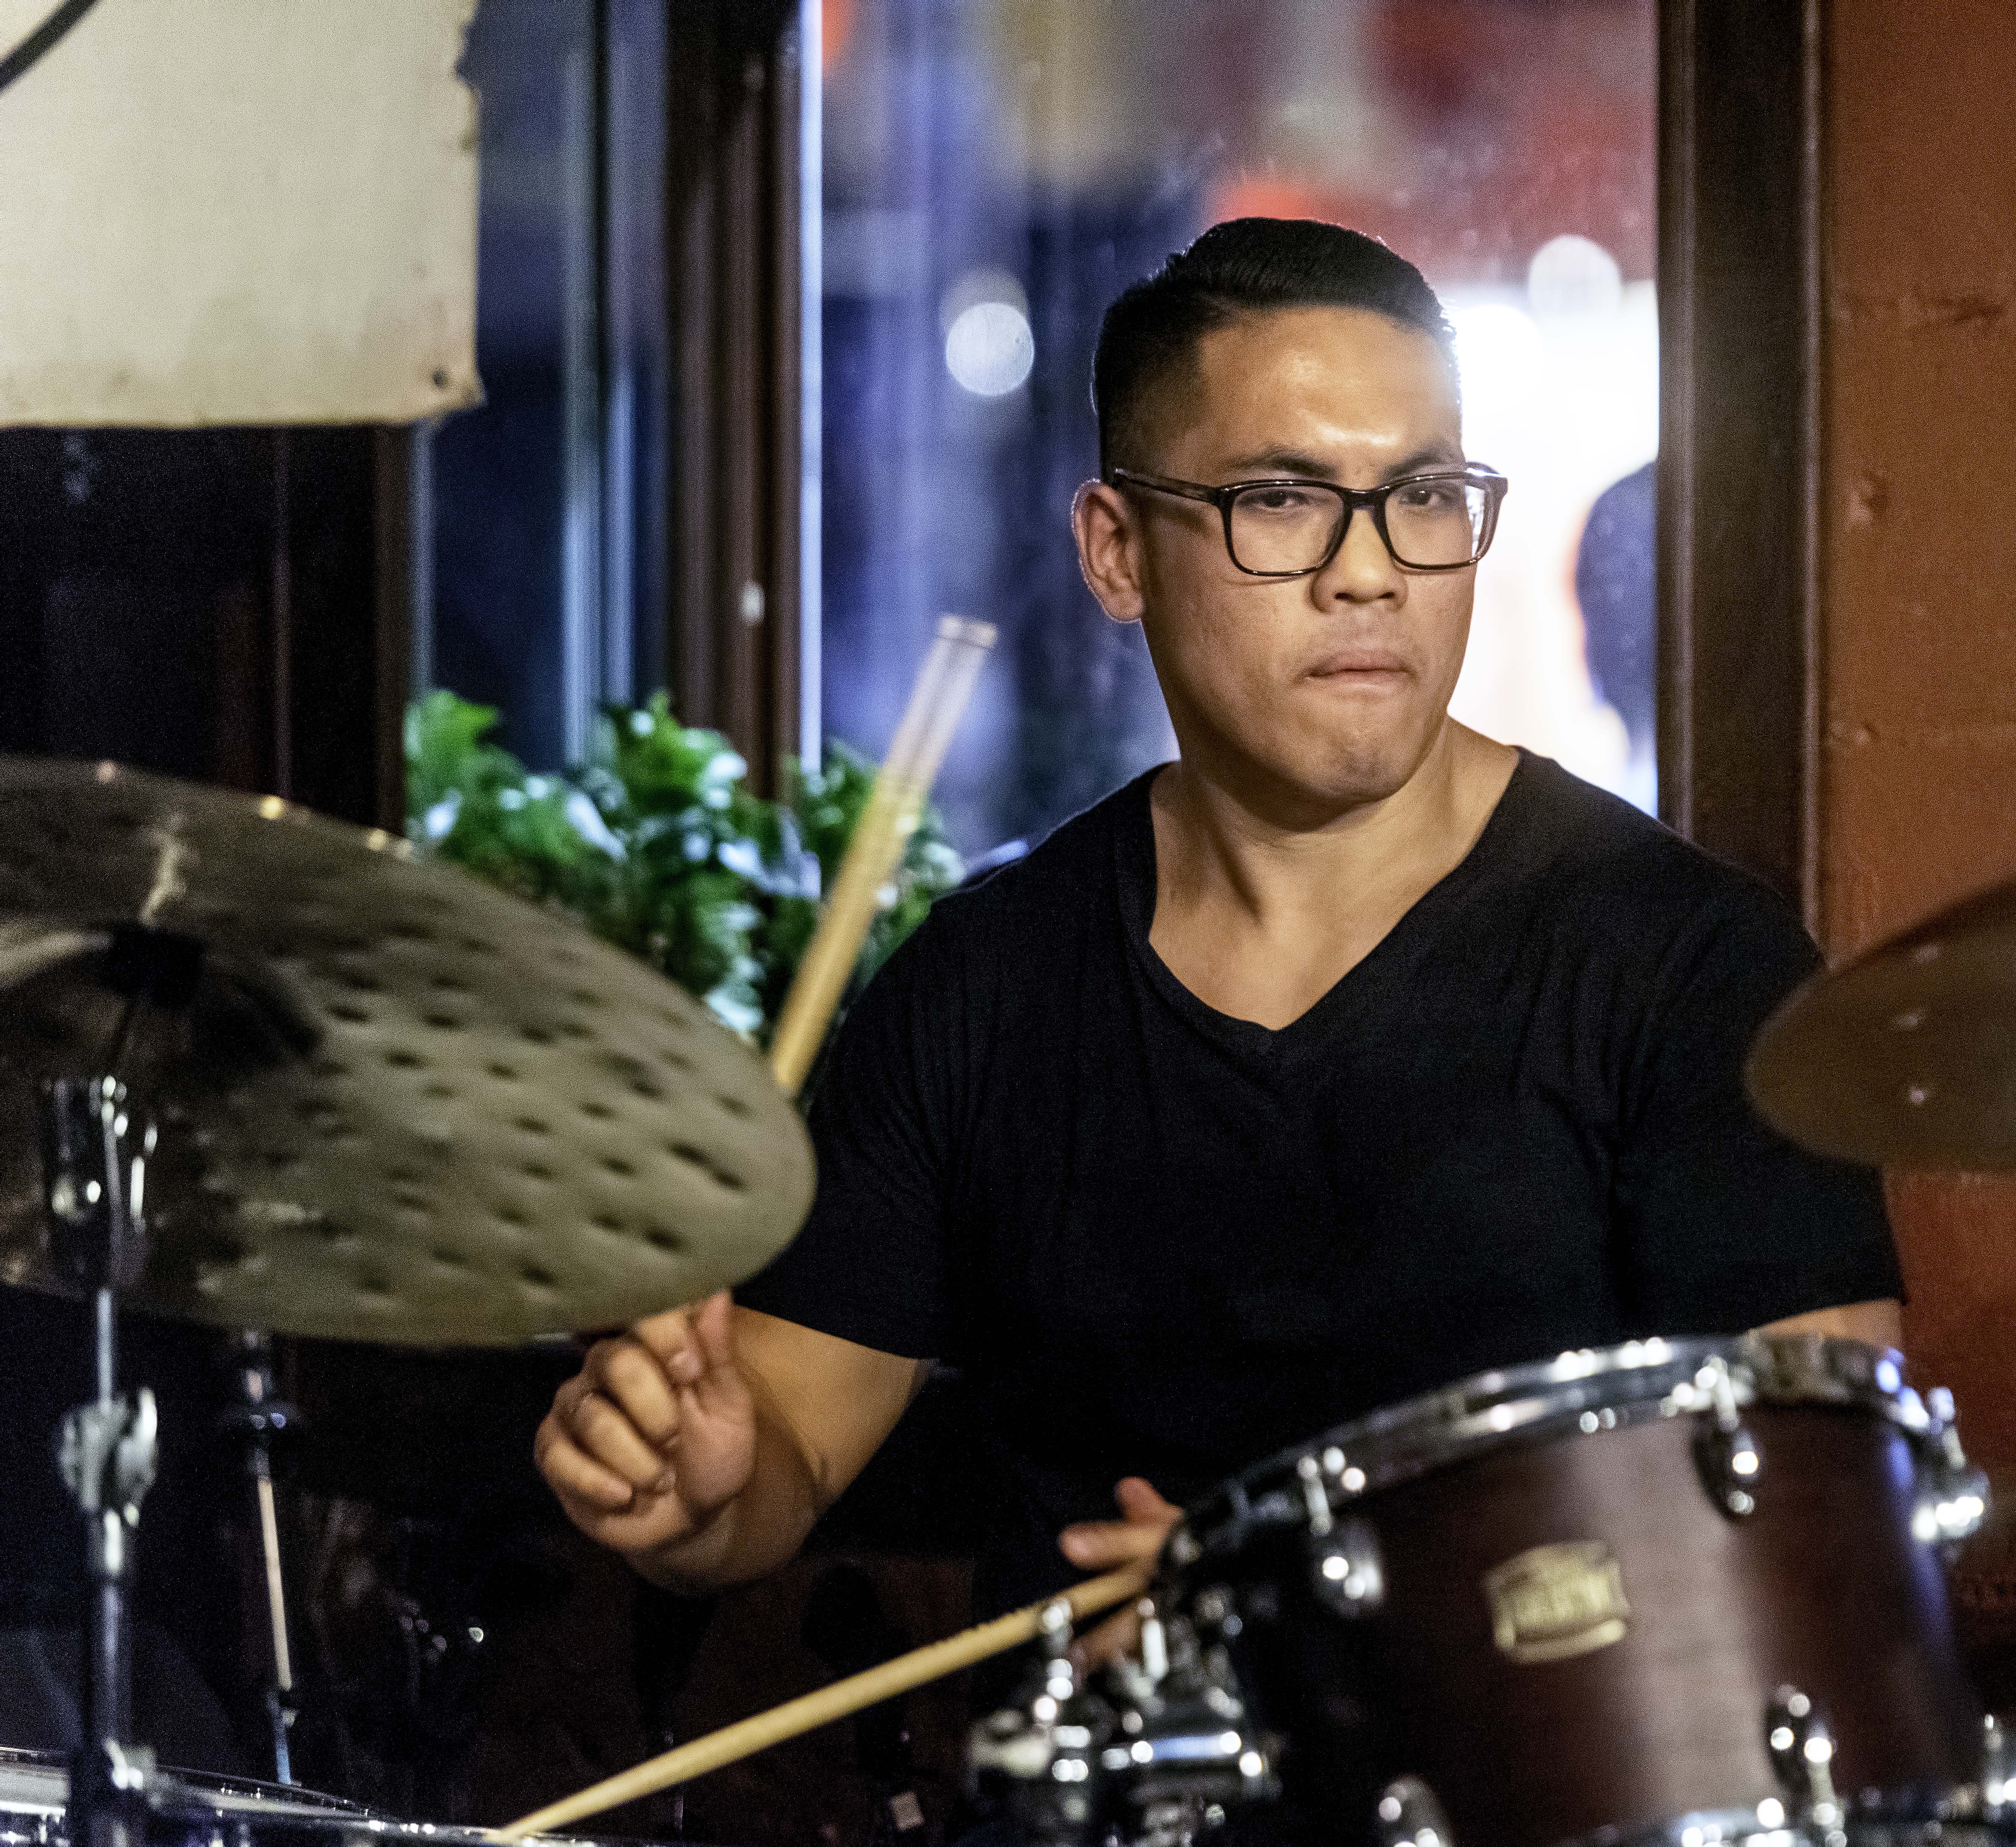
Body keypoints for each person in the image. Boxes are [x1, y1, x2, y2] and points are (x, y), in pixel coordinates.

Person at [531, 218, 1901, 1665]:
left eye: (1423, 495)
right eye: (1281, 499)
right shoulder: (985, 984)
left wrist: (1316, 1579)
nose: (1370, 572)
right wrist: (688, 1488)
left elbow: (1825, 1499)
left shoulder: (1688, 966)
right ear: (1117, 552)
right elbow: (779, 1451)